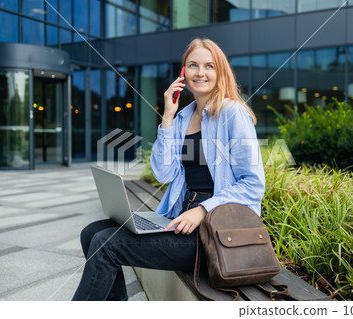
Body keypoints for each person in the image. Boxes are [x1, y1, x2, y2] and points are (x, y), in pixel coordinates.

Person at [72, 38, 265, 301]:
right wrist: (167, 117)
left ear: (220, 72)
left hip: (214, 234)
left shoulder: (233, 113)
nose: (200, 72)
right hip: (180, 219)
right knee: (91, 233)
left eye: (209, 66)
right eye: (193, 65)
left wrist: (202, 210)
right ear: (183, 72)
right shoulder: (183, 116)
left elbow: (252, 184)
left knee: (106, 244)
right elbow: (163, 173)